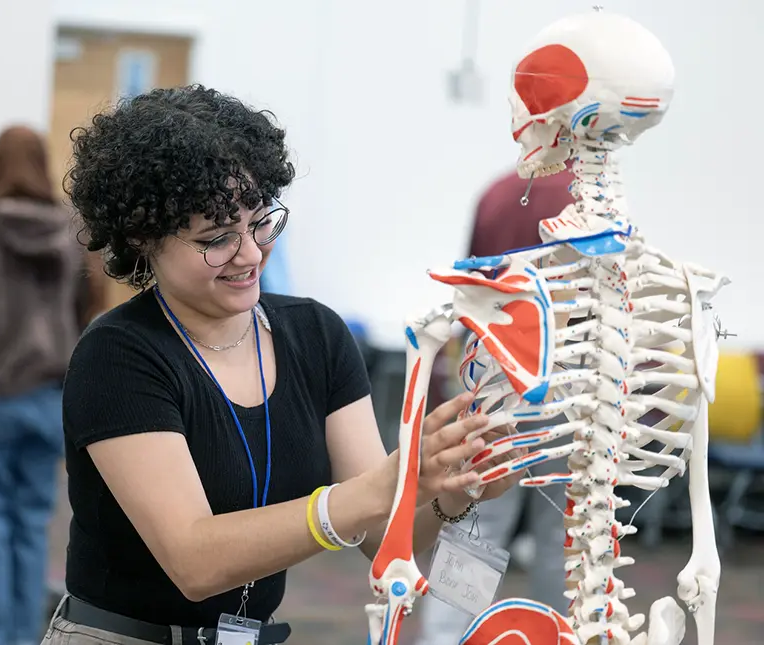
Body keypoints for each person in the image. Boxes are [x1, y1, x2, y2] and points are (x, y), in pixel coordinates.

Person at [43, 84, 520, 645]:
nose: (250, 254)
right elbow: (195, 561)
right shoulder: (118, 357)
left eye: (259, 222)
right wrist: (386, 483)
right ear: (144, 237)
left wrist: (454, 486)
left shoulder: (316, 336)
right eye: (216, 239)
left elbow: (379, 537)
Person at [416, 164, 575, 645]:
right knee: (561, 539)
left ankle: (444, 638)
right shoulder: (584, 201)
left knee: (472, 529)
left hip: (491, 377)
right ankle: (560, 635)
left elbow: (471, 292)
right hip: (568, 379)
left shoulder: (499, 194)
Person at [0, 125, 97, 645]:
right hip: (48, 400)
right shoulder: (70, 235)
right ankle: (24, 637)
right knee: (31, 525)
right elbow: (86, 314)